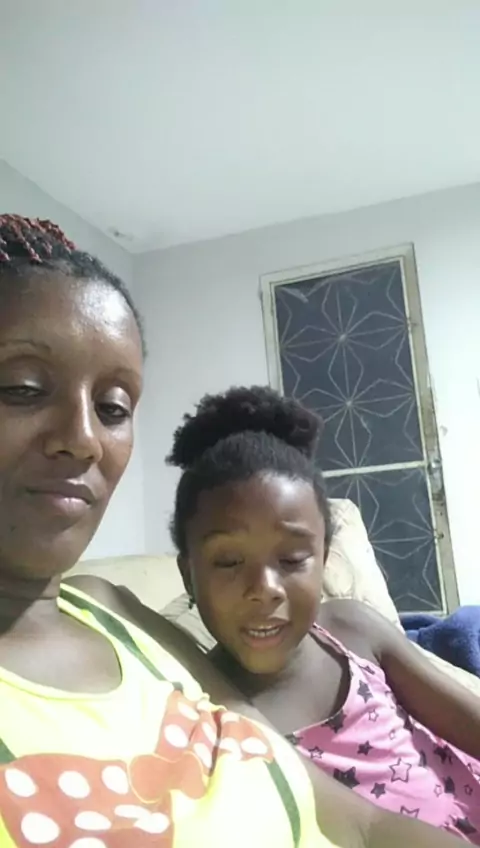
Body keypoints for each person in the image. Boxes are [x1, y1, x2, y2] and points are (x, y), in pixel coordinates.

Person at [0, 215, 463, 848]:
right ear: (189, 573)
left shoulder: (116, 612)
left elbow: (360, 822)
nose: (84, 439)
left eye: (113, 407)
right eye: (22, 388)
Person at [167, 384, 480, 844]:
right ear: (188, 575)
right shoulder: (208, 707)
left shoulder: (350, 629)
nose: (265, 589)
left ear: (324, 559)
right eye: (229, 562)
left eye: (292, 559)